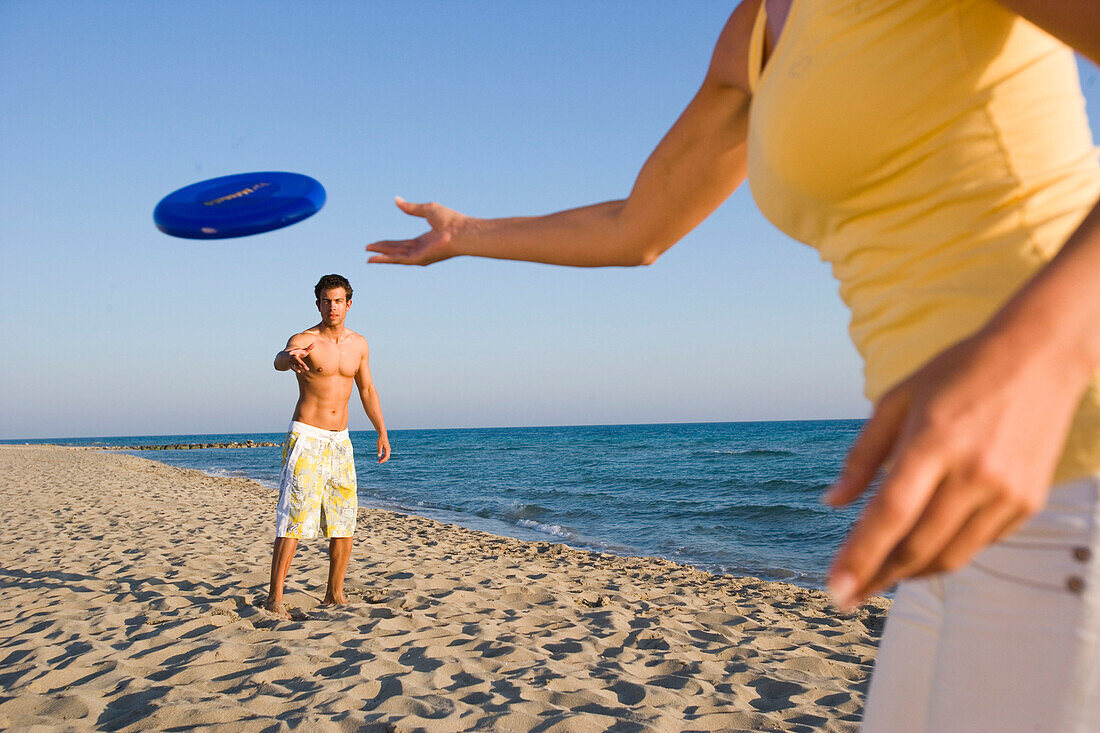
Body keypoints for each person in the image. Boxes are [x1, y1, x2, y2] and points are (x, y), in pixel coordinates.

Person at [366, 1, 1100, 729]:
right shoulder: (755, 31)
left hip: (1068, 453)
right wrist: (466, 233)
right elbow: (638, 227)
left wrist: (1038, 350)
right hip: (946, 487)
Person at [265, 274, 391, 619]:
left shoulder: (359, 344)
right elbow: (279, 359)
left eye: (338, 301)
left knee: (344, 518)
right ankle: (275, 597)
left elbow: (367, 389)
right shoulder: (305, 340)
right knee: (294, 516)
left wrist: (381, 430)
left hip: (341, 440)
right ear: (318, 303)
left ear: (348, 304)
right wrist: (287, 357)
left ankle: (334, 594)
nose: (332, 307)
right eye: (325, 300)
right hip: (307, 436)